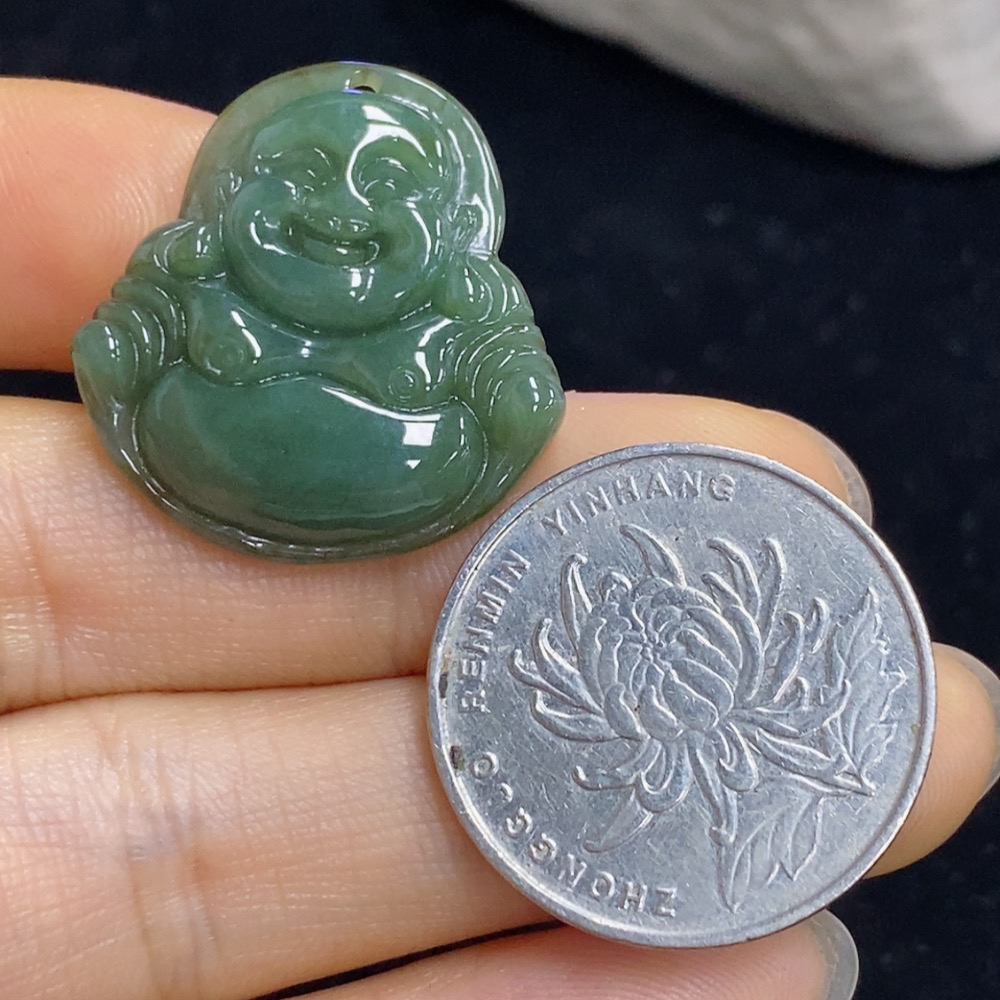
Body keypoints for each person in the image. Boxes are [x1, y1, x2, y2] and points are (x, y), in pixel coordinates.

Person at [0, 77, 996, 1000]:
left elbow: (512, 392)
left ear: (450, 228)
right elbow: (126, 342)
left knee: (433, 439)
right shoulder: (198, 286)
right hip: (206, 438)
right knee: (188, 405)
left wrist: (497, 395)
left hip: (399, 458)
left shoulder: (450, 318)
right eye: (298, 173)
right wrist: (138, 347)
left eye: (388, 183)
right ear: (227, 198)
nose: (341, 207)